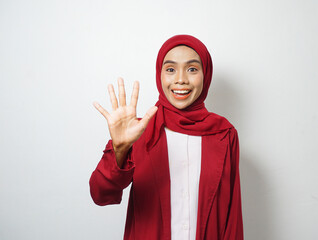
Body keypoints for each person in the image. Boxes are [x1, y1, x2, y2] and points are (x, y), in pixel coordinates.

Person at [90, 35, 243, 240]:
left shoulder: (224, 134)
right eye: (170, 69)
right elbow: (101, 195)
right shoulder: (137, 131)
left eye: (192, 69)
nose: (181, 79)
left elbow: (232, 217)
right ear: (159, 75)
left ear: (206, 75)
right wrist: (120, 148)